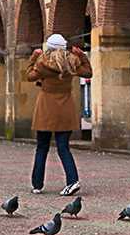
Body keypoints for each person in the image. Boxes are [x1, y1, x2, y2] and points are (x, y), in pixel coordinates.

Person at [26, 33, 92, 195]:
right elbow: (88, 73)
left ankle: (37, 184)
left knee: (42, 147)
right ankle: (73, 180)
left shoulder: (42, 63)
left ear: (48, 47)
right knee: (63, 148)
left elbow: (29, 76)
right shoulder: (72, 62)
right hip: (65, 108)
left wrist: (33, 58)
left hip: (46, 110)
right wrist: (82, 56)